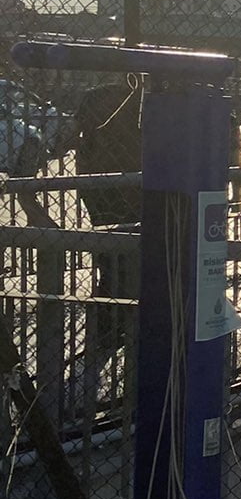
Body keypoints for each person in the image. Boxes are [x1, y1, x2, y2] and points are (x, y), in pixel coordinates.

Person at [71, 79, 142, 361]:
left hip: (98, 183)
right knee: (127, 258)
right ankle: (118, 324)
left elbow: (77, 136)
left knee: (110, 257)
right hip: (129, 184)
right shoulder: (142, 97)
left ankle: (109, 327)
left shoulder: (95, 96)